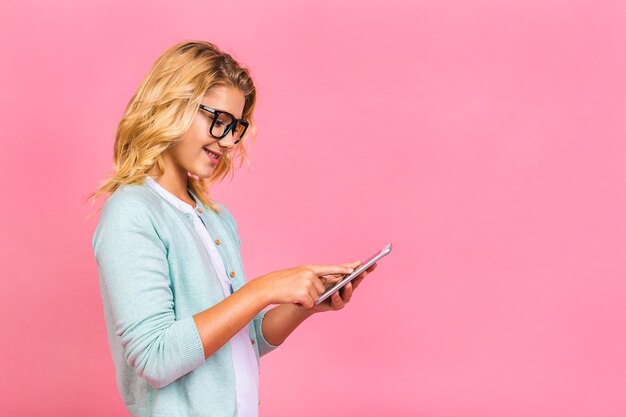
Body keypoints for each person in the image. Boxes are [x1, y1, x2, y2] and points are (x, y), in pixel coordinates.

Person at [87, 40, 377, 417]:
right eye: (218, 120)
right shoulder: (131, 214)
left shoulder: (215, 217)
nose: (227, 141)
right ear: (173, 104)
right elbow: (155, 358)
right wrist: (262, 289)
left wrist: (304, 305)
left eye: (235, 126)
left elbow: (245, 337)